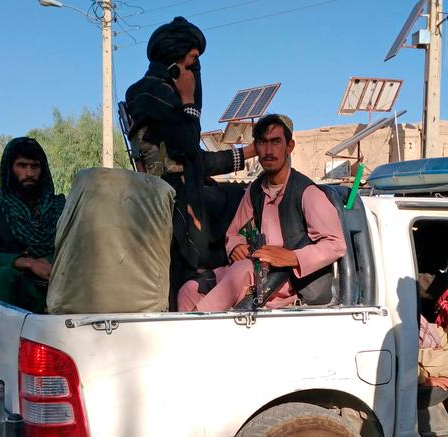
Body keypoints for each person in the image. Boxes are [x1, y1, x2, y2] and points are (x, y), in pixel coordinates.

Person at [124, 17, 256, 308]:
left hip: (182, 188)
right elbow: (187, 148)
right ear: (176, 56)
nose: (196, 67)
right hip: (174, 198)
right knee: (240, 202)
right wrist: (188, 101)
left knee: (237, 194)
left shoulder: (156, 91)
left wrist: (246, 153)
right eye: (193, 59)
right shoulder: (151, 93)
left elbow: (194, 159)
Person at [177, 114, 345, 312]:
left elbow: (335, 244)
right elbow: (234, 233)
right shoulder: (255, 190)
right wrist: (236, 246)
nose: (268, 150)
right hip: (254, 273)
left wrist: (292, 257)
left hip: (288, 282)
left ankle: (195, 323)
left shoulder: (307, 193)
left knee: (240, 272)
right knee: (189, 290)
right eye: (262, 143)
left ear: (289, 146)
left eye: (276, 142)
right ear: (256, 147)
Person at [0, 137, 64, 314]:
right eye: (22, 165)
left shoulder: (60, 208)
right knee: (3, 277)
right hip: (15, 288)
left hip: (56, 282)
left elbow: (73, 247)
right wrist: (28, 263)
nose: (29, 173)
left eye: (35, 166)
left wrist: (49, 261)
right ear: (10, 169)